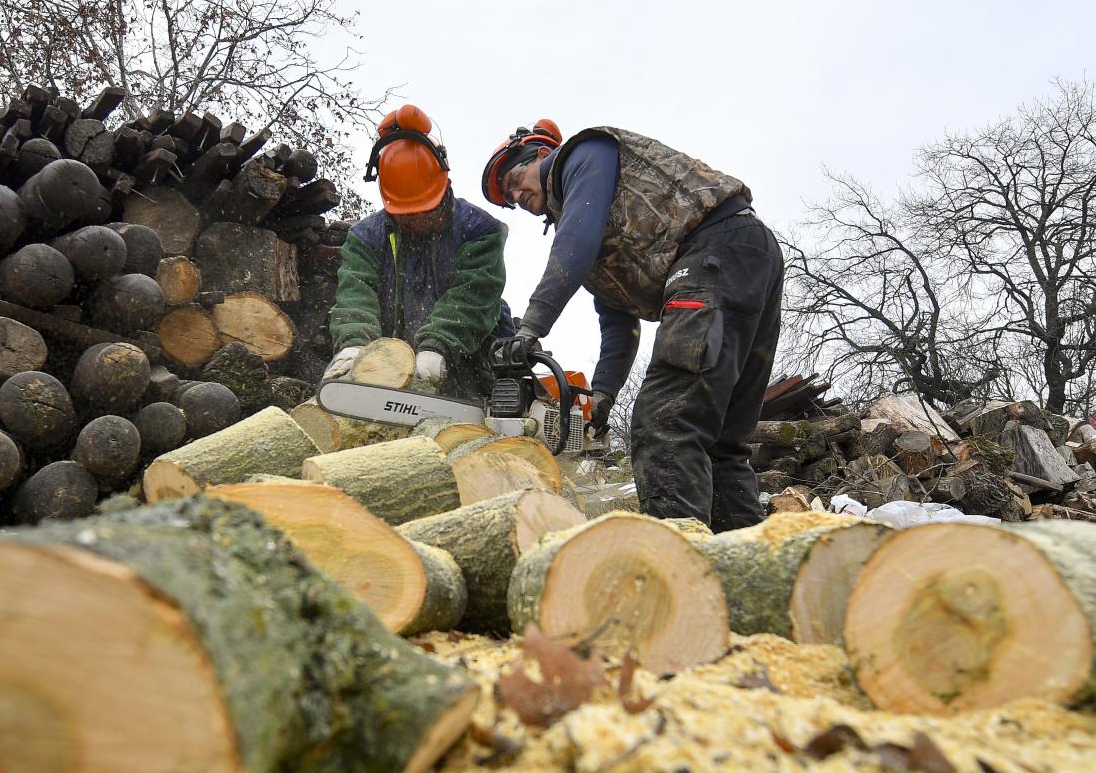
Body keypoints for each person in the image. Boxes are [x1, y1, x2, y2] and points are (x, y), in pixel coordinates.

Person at [482, 120, 783, 530]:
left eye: (515, 179)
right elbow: (619, 324)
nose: (517, 196)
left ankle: (677, 571)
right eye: (511, 199)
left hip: (713, 249)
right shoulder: (598, 233)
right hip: (745, 259)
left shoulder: (583, 156)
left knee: (665, 424)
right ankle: (747, 573)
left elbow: (576, 242)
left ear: (540, 154)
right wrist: (603, 394)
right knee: (720, 445)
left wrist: (530, 328)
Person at [326, 105, 514, 399]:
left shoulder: (480, 231)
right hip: (395, 364)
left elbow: (472, 297)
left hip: (474, 359)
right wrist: (354, 344)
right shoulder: (366, 237)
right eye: (405, 215)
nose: (415, 221)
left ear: (444, 187)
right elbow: (356, 291)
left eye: (424, 212)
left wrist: (437, 345)